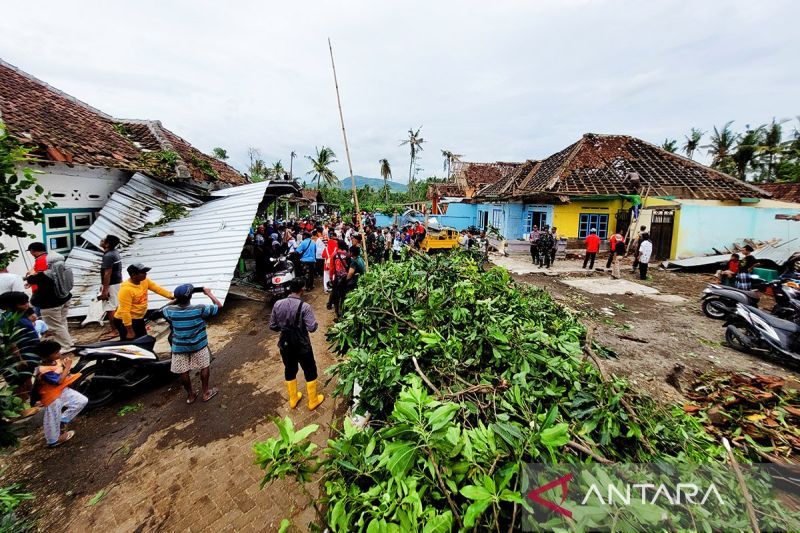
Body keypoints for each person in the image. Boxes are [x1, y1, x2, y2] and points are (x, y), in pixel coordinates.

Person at [268, 279, 324, 411]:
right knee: (309, 369)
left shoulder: (278, 304)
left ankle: (293, 399)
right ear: (302, 290)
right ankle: (313, 401)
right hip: (302, 345)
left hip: (285, 344)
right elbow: (312, 328)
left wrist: (284, 328)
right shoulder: (305, 307)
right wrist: (313, 324)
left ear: (289, 289)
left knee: (290, 369)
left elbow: (273, 325)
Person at [162, 284, 221, 404]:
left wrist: (177, 298)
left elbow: (164, 308)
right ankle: (205, 392)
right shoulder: (199, 309)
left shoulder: (170, 311)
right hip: (198, 344)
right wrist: (208, 293)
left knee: (184, 371)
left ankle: (191, 395)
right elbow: (218, 306)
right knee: (204, 366)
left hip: (179, 346)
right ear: (190, 297)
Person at [33, 340, 88, 447]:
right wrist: (67, 367)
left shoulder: (54, 362)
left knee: (81, 401)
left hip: (61, 390)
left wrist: (63, 366)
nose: (59, 354)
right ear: (47, 356)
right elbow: (58, 381)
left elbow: (60, 374)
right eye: (56, 352)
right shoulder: (44, 371)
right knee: (52, 417)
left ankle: (62, 420)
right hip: (51, 396)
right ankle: (53, 441)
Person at [0, 291, 41, 415]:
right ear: (11, 305)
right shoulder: (8, 319)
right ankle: (21, 408)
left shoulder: (20, 316)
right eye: (22, 303)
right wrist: (18, 358)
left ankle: (29, 402)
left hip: (29, 354)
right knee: (19, 382)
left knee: (26, 378)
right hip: (18, 357)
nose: (26, 305)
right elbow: (9, 340)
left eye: (26, 302)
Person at [25, 249, 73, 352]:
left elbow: (30, 279)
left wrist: (31, 274)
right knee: (61, 322)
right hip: (65, 299)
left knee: (54, 326)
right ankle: (67, 340)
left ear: (50, 263)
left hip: (50, 304)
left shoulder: (46, 274)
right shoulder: (67, 270)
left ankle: (67, 345)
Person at [115, 263, 174, 340]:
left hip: (138, 318)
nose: (145, 274)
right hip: (125, 321)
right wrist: (129, 330)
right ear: (134, 275)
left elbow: (158, 289)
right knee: (131, 344)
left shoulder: (144, 281)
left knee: (142, 339)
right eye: (142, 272)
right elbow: (125, 312)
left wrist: (172, 296)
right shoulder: (126, 289)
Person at [98, 235, 123, 333]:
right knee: (115, 306)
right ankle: (118, 328)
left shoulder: (108, 256)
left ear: (107, 244)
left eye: (103, 240)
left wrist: (105, 290)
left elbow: (107, 274)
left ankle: (115, 330)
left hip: (111, 284)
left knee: (110, 308)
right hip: (116, 283)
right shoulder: (114, 253)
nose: (101, 240)